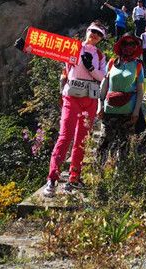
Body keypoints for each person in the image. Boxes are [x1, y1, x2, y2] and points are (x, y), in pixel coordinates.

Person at [43, 22, 107, 197]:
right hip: (71, 97)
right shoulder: (73, 47)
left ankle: (74, 178)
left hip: (90, 100)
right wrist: (26, 46)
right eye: (93, 31)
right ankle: (52, 178)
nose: (95, 35)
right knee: (65, 136)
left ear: (101, 38)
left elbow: (103, 77)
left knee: (81, 140)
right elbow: (47, 48)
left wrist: (91, 67)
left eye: (99, 34)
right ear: (87, 31)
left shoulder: (100, 55)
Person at [97, 33, 145, 166]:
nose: (128, 47)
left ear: (135, 47)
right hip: (109, 110)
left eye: (132, 44)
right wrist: (100, 106)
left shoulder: (138, 66)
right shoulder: (111, 63)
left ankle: (121, 173)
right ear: (120, 46)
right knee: (104, 143)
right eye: (125, 44)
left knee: (124, 145)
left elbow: (140, 91)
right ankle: (99, 171)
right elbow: (104, 86)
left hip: (127, 112)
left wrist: (136, 112)